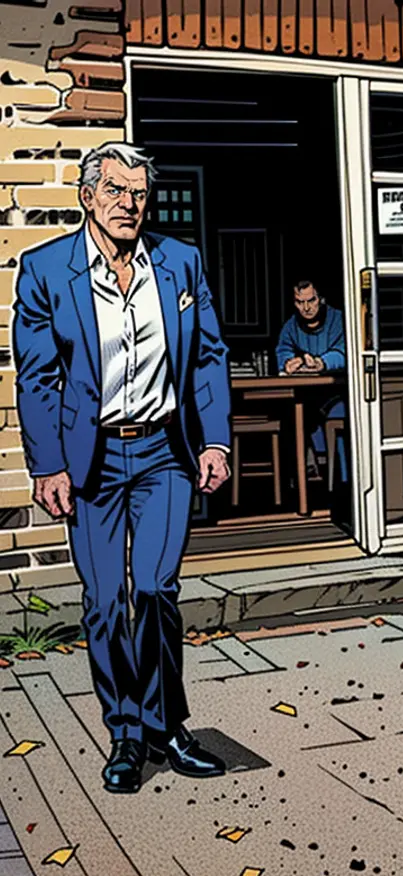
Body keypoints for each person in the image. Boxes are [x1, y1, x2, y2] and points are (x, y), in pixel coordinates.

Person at [12, 141, 232, 794]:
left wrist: (213, 441)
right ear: (87, 197)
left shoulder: (180, 264)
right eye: (115, 191)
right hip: (94, 459)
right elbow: (37, 377)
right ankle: (126, 732)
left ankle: (166, 727)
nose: (129, 205)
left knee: (157, 589)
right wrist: (48, 465)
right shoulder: (47, 270)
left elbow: (208, 356)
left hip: (165, 450)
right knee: (107, 601)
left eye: (138, 193)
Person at [275, 281, 348, 484]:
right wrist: (288, 363)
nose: (306, 308)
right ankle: (301, 479)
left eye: (311, 301)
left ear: (320, 299)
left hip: (338, 394)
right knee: (290, 417)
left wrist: (322, 362)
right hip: (307, 396)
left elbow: (346, 351)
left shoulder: (339, 320)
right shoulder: (291, 325)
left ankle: (342, 482)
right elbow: (283, 349)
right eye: (300, 302)